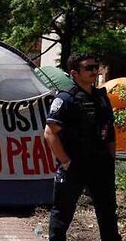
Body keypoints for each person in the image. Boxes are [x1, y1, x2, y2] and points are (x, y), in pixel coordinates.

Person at [44, 54, 121, 241]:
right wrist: (66, 161)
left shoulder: (101, 98)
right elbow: (50, 132)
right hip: (74, 166)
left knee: (108, 212)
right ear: (74, 73)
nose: (95, 71)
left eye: (96, 67)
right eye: (89, 68)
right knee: (62, 213)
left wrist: (111, 158)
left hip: (100, 164)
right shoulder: (66, 98)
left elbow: (109, 131)